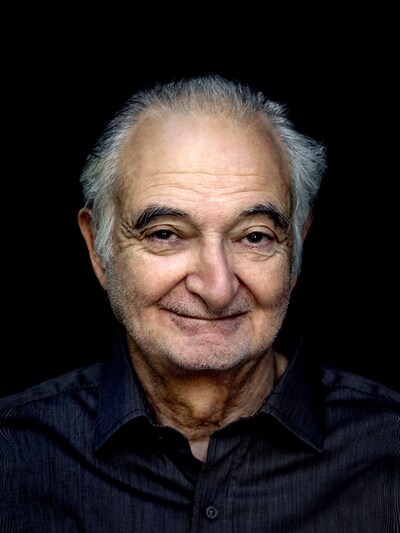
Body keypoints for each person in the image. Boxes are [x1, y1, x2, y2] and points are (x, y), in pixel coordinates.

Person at [0, 74, 399, 532]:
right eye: (166, 234)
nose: (217, 287)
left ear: (296, 251)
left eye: (254, 237)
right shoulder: (13, 456)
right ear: (98, 250)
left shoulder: (388, 450)